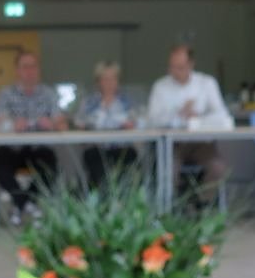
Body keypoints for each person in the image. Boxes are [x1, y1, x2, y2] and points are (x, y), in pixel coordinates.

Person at [0, 51, 68, 218]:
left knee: (51, 167)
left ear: (38, 69)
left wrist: (52, 123)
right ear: (17, 70)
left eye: (33, 66)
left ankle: (21, 204)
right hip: (12, 149)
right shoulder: (5, 94)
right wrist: (12, 125)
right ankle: (27, 204)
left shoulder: (48, 94)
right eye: (25, 67)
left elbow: (62, 123)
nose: (29, 71)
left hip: (39, 149)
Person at [147, 44, 232, 185]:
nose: (174, 71)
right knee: (168, 171)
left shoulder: (206, 83)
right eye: (171, 67)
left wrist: (198, 119)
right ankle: (173, 200)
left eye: (179, 67)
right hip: (172, 144)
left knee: (218, 169)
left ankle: (202, 198)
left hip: (202, 143)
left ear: (191, 64)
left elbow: (222, 115)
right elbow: (152, 120)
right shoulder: (160, 87)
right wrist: (178, 115)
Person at [74, 61, 137, 188]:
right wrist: (87, 126)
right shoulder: (89, 102)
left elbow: (137, 122)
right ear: (98, 82)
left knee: (130, 159)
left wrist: (131, 125)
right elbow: (79, 123)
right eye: (105, 79)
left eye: (113, 78)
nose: (109, 83)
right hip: (96, 149)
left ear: (118, 81)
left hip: (122, 149)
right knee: (96, 166)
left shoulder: (127, 101)